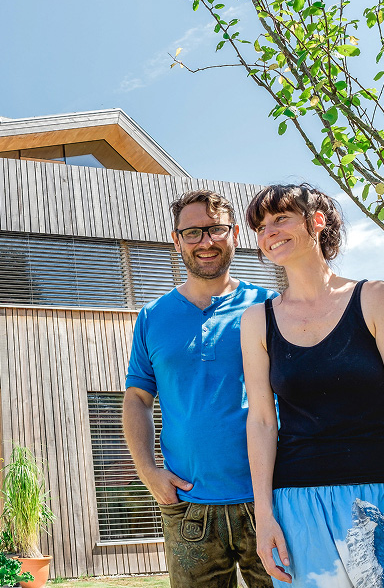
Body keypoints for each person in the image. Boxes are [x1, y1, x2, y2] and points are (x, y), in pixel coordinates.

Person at [124, 189, 275, 588]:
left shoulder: (269, 306)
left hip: (270, 498)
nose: (205, 241)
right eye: (192, 232)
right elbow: (137, 398)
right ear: (177, 241)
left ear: (235, 234)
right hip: (188, 505)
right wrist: (147, 471)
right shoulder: (152, 316)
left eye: (215, 229)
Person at [242, 183, 384, 587]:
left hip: (377, 491)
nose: (269, 232)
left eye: (280, 218)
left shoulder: (374, 298)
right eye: (261, 226)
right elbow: (262, 422)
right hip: (298, 505)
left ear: (316, 221)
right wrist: (264, 515)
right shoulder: (257, 320)